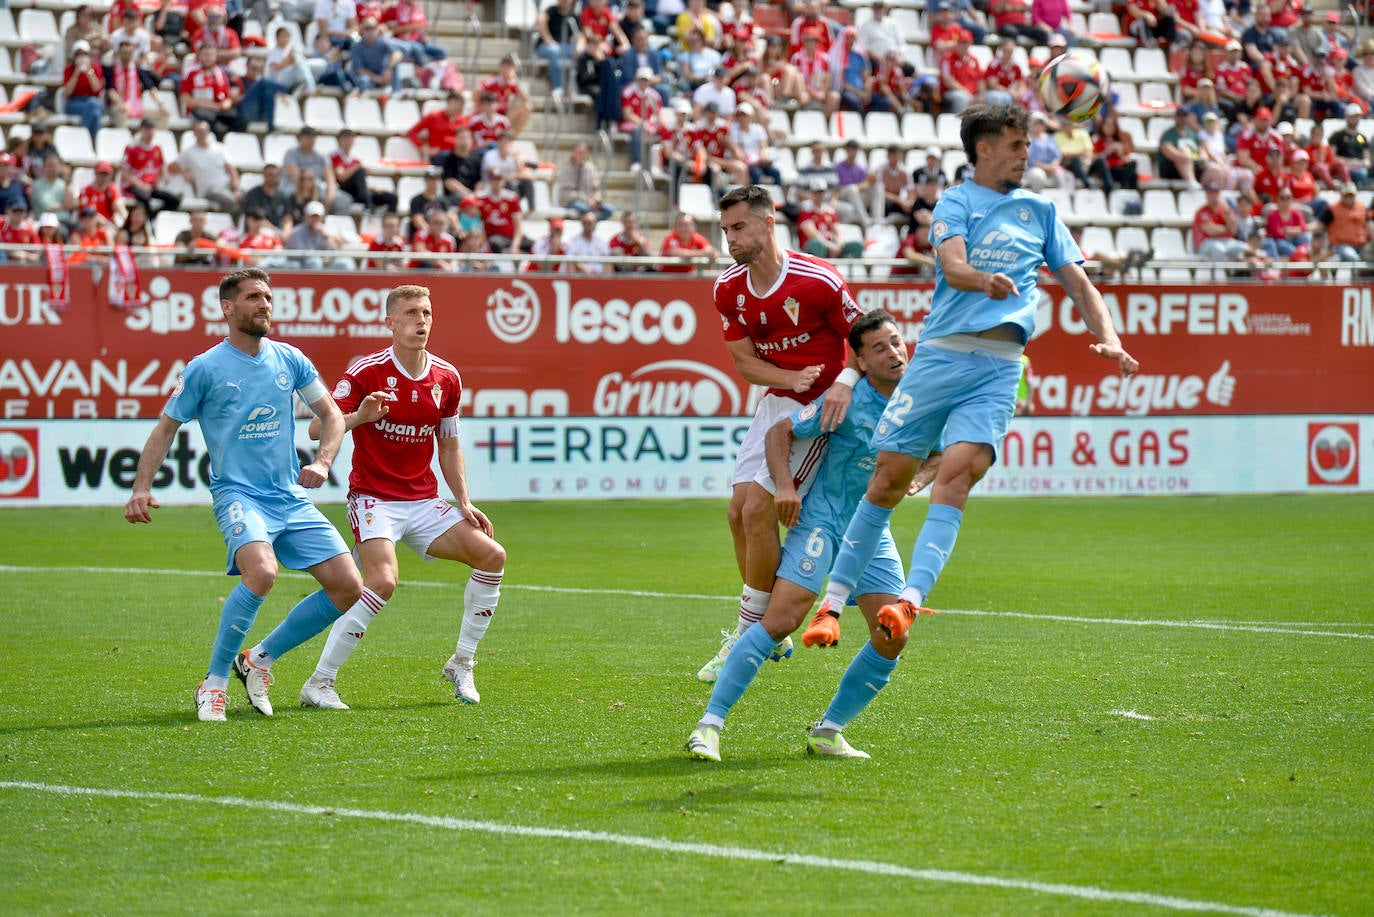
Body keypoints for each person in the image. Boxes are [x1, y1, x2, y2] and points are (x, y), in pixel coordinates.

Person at [801, 103, 1137, 654]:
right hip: (940, 357)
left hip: (1000, 366)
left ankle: (906, 603)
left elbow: (1081, 286)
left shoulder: (1041, 210)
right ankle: (831, 605)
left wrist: (1112, 339)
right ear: (983, 149)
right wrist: (984, 281)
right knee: (886, 480)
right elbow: (952, 267)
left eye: (1027, 145)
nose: (1025, 154)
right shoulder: (956, 202)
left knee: (959, 475)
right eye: (1015, 145)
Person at [123, 268, 363, 722]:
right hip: (239, 495)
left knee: (349, 586)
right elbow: (165, 429)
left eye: (268, 297)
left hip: (290, 497)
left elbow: (331, 416)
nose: (264, 304)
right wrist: (141, 488)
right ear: (228, 308)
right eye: (253, 297)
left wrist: (322, 462)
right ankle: (213, 684)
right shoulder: (205, 368)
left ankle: (257, 660)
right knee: (262, 572)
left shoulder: (290, 359)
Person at [686, 311, 922, 761]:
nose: (894, 352)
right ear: (860, 361)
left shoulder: (922, 399)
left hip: (872, 528)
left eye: (896, 342)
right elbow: (781, 431)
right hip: (825, 521)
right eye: (880, 348)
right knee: (779, 623)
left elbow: (938, 450)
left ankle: (828, 731)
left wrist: (922, 476)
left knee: (893, 631)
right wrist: (787, 486)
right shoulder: (844, 400)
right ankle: (708, 727)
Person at [299, 285, 505, 709]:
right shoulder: (366, 372)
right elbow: (318, 429)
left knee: (492, 556)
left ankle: (462, 662)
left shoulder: (446, 378)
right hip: (374, 497)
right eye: (411, 313)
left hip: (423, 500)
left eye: (427, 313)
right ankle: (319, 682)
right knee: (381, 582)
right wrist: (361, 416)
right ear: (390, 322)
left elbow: (448, 444)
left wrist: (462, 500)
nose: (421, 321)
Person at [696, 184, 864, 683]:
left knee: (756, 508)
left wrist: (842, 387)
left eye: (739, 227)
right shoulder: (727, 288)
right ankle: (773, 629)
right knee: (736, 512)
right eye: (725, 230)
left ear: (769, 223)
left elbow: (861, 340)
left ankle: (750, 635)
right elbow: (746, 362)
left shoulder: (818, 279)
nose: (730, 239)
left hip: (819, 409)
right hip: (778, 400)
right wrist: (788, 379)